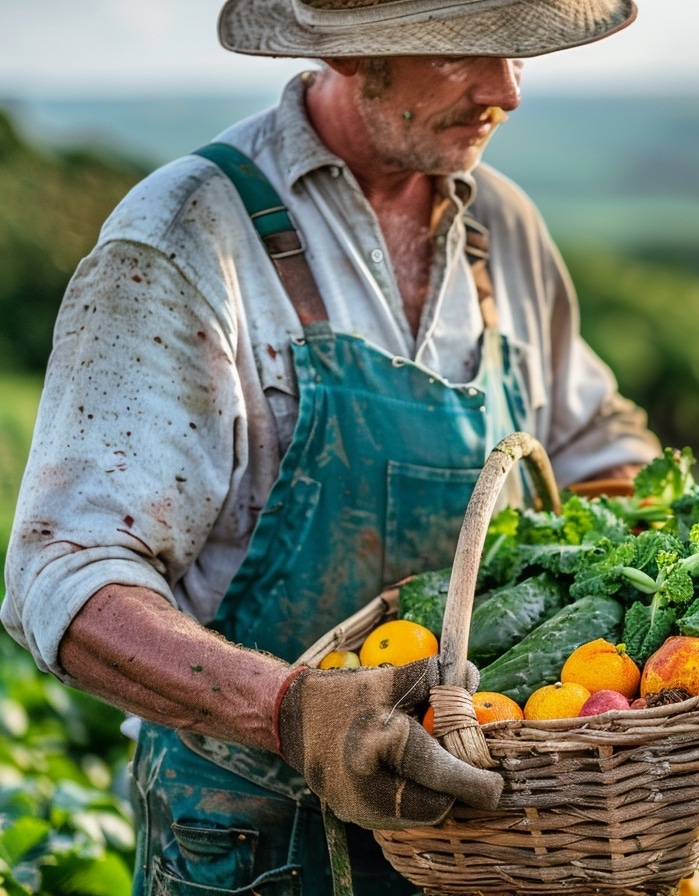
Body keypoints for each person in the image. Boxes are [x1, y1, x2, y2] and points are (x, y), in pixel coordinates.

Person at [1, 0, 663, 893]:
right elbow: (67, 574)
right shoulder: (189, 236)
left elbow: (593, 448)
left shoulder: (501, 230)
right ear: (351, 49)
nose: (506, 89)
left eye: (516, 50)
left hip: (494, 846)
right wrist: (296, 714)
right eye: (467, 50)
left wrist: (679, 649)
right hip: (259, 842)